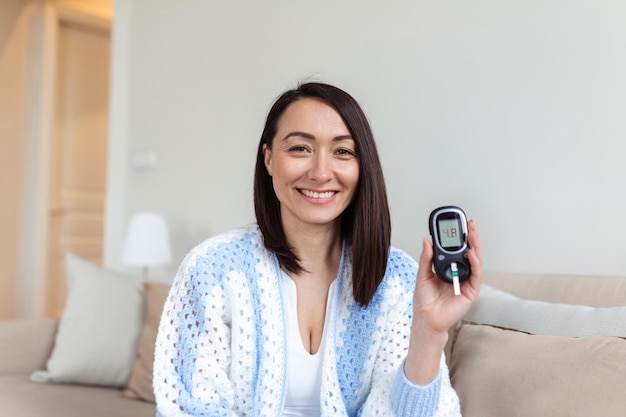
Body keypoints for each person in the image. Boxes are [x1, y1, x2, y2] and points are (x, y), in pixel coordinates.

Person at [153, 82, 482, 417]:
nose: (321, 173)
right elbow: (188, 406)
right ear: (268, 159)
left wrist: (429, 331)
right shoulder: (212, 269)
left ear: (362, 166)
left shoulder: (396, 279)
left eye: (342, 152)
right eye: (300, 149)